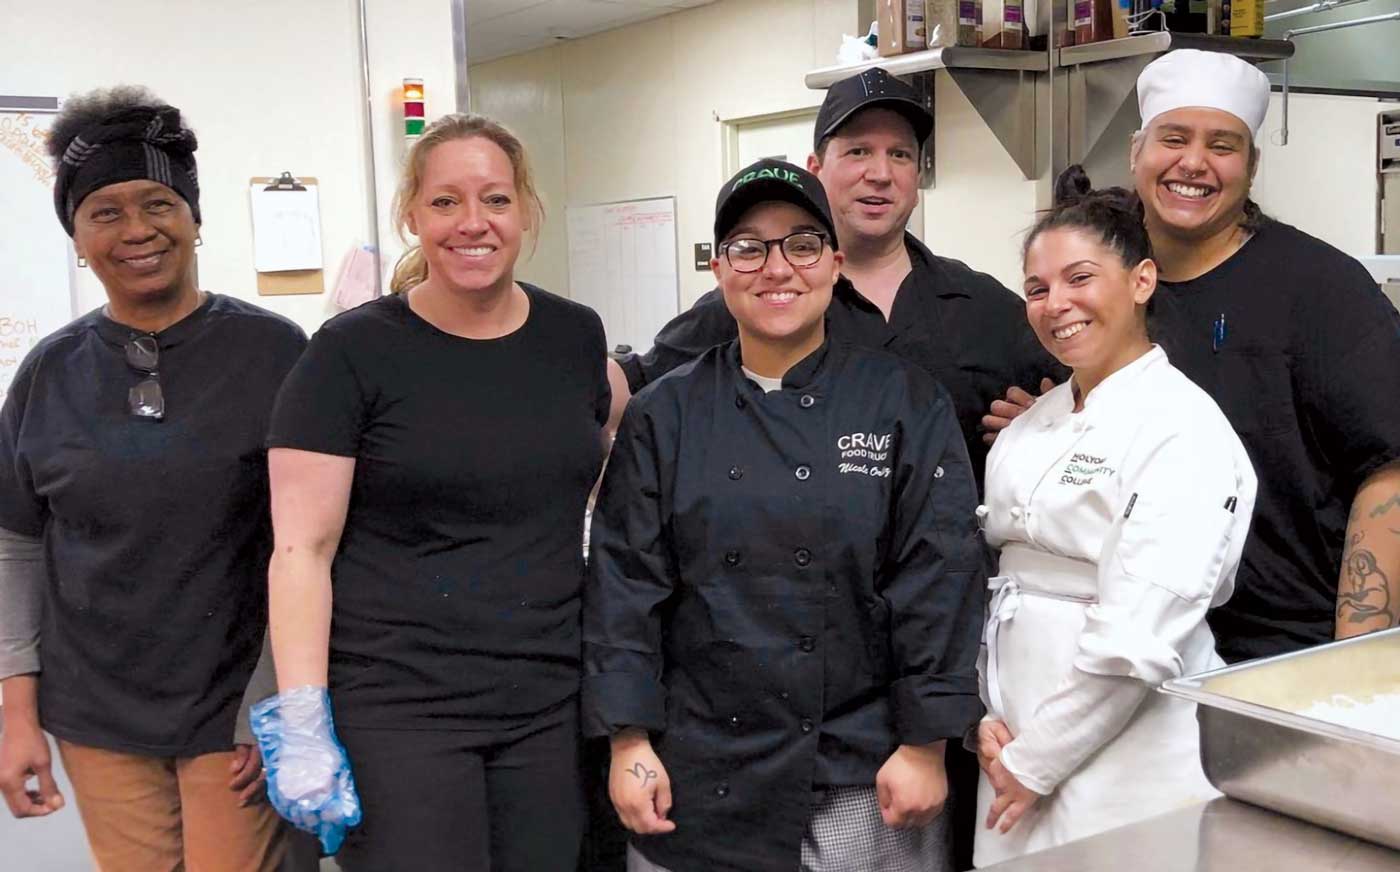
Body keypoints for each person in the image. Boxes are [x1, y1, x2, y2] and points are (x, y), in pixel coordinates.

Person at [584, 159, 984, 872]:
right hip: (697, 772)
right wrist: (628, 741)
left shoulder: (901, 402)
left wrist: (926, 745)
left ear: (834, 264)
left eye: (801, 244)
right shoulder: (664, 414)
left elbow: (941, 578)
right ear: (719, 269)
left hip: (863, 765)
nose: (776, 268)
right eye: (748, 246)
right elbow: (626, 589)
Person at [259, 113, 611, 871]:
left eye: (495, 199)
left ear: (526, 211)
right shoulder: (350, 354)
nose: (472, 223)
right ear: (412, 215)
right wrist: (303, 717)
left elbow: (610, 459)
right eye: (446, 202)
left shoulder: (575, 337)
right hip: (399, 709)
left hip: (546, 704)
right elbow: (300, 550)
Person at [985, 50, 1400, 661]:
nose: (1194, 163)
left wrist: (1351, 663)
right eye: (1173, 138)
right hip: (1115, 649)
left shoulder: (1320, 289)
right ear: (1136, 152)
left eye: (1223, 145)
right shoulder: (1092, 294)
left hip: (1272, 652)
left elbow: (1389, 466)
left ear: (1251, 166)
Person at [0, 87, 305, 871]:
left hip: (234, 708)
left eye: (158, 203)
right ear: (76, 235)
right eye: (105, 211)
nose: (136, 230)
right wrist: (16, 712)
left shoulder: (277, 355)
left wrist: (276, 705)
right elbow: (16, 545)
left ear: (195, 218)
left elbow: (312, 542)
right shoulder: (46, 374)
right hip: (96, 716)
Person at [973, 166, 1258, 866]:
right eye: (1037, 289)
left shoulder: (1182, 427)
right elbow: (999, 591)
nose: (1055, 303)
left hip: (1127, 758)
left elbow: (1138, 633)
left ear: (1141, 281)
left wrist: (1038, 762)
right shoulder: (1029, 425)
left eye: (1079, 278)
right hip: (1009, 752)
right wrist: (986, 719)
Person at [611, 68, 1063, 491]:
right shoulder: (766, 300)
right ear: (816, 168)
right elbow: (627, 387)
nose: (880, 174)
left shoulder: (979, 303)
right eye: (858, 151)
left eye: (899, 154)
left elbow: (1099, 390)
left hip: (951, 562)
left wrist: (1049, 424)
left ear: (917, 174)